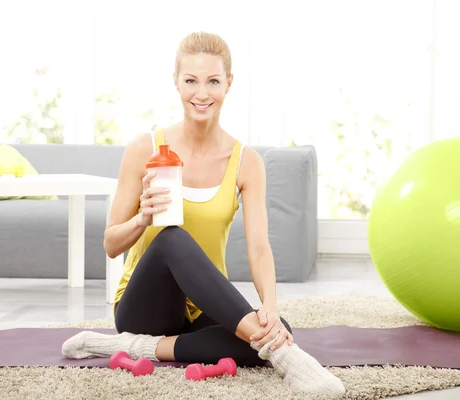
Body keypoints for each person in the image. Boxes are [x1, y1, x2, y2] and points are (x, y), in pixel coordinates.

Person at [61, 31, 345, 396]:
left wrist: (270, 312)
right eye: (191, 81)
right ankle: (288, 357)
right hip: (145, 309)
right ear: (176, 83)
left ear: (229, 84)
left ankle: (132, 347)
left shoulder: (247, 162)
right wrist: (142, 219)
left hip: (201, 309)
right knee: (172, 238)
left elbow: (259, 248)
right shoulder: (143, 149)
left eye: (213, 81)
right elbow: (111, 244)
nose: (202, 93)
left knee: (270, 326)